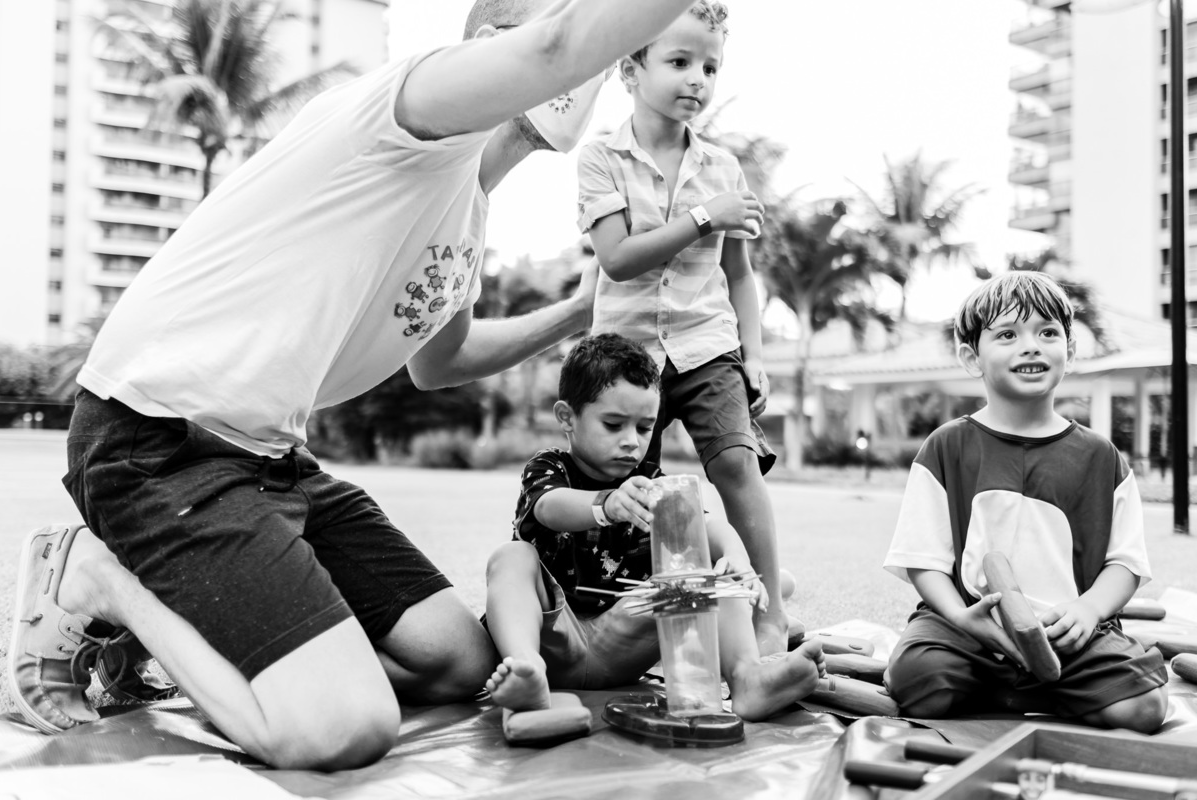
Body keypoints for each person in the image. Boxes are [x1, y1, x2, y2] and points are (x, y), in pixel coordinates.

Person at [8, 0, 707, 771]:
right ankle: (100, 579)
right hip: (160, 440)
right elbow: (558, 48)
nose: (591, 72)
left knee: (459, 661)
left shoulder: (467, 212)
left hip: (273, 464)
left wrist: (576, 314)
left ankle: (219, 637)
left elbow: (441, 361)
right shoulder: (408, 108)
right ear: (487, 45)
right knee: (344, 727)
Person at [575, 1, 787, 655]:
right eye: (679, 61)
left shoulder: (723, 168)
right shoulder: (600, 159)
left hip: (706, 342)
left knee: (736, 464)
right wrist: (703, 216)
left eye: (710, 66)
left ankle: (770, 609)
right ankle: (622, 616)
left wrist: (753, 356)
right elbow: (617, 258)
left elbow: (741, 275)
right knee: (627, 488)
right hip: (626, 355)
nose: (697, 78)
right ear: (629, 69)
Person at [483, 333, 825, 727]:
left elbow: (708, 523)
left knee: (711, 575)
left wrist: (739, 560)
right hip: (553, 640)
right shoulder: (548, 468)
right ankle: (525, 670)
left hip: (623, 640)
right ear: (567, 417)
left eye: (645, 427)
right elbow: (549, 508)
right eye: (613, 425)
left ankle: (747, 678)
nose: (631, 442)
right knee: (511, 557)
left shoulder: (652, 481)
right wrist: (605, 505)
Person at [882, 272, 1168, 733]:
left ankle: (1025, 688)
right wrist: (960, 616)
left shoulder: (1102, 458)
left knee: (1145, 707)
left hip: (1069, 632)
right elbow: (923, 561)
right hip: (967, 629)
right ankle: (1025, 688)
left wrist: (1089, 610)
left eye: (1048, 332)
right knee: (920, 682)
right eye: (1008, 335)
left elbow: (1126, 564)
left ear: (1070, 353)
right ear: (971, 357)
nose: (1030, 346)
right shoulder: (946, 447)